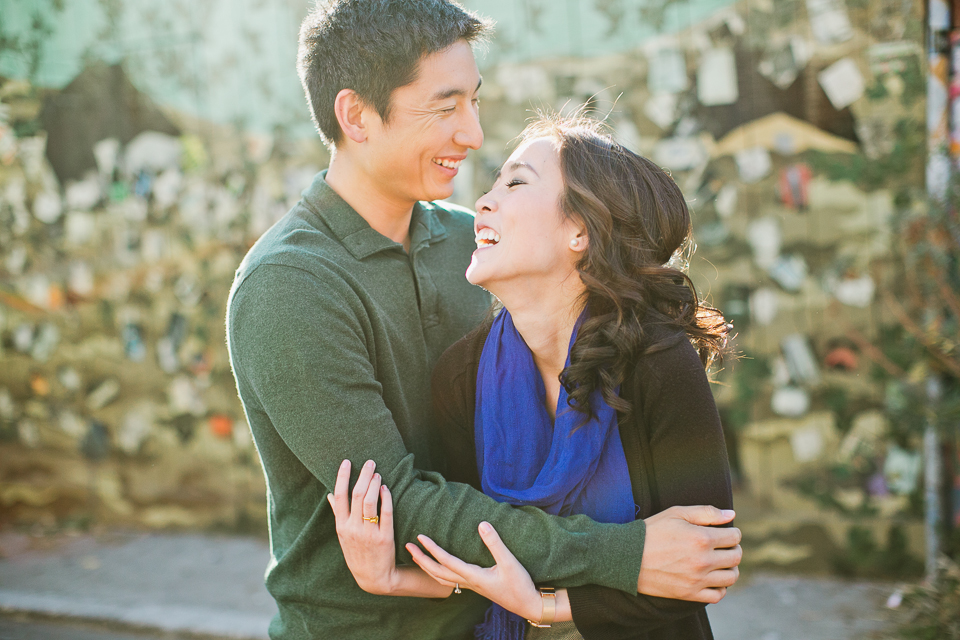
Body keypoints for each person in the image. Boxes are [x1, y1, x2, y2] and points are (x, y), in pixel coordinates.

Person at [226, 1, 741, 639]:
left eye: (474, 101)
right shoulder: (291, 285)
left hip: (494, 619)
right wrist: (626, 553)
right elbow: (403, 503)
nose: (471, 134)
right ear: (356, 115)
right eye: (445, 107)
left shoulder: (478, 249)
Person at [330, 113, 734, 640]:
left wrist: (549, 606)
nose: (482, 202)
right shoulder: (462, 375)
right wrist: (391, 578)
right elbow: (475, 547)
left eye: (516, 182)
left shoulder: (656, 361)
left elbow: (706, 565)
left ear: (580, 231)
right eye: (494, 183)